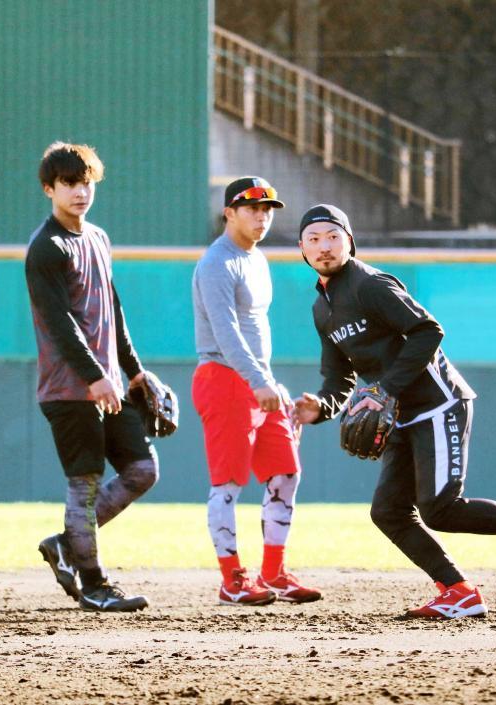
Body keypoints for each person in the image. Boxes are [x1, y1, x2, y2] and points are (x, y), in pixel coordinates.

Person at [293, 204, 496, 620]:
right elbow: (339, 377)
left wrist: (387, 389)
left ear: (349, 240)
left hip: (437, 402)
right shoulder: (322, 307)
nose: (324, 246)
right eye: (314, 239)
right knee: (388, 511)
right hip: (400, 415)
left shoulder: (368, 284)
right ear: (301, 248)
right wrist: (319, 406)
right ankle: (458, 590)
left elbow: (428, 330)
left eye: (333, 236)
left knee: (441, 507)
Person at [27, 142, 162, 612]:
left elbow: (113, 310)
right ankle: (94, 584)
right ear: (50, 188)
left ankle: (66, 544)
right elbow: (58, 322)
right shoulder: (47, 248)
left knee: (143, 469)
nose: (80, 191)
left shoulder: (97, 238)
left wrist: (133, 370)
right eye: (69, 183)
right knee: (84, 482)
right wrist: (93, 376)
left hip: (107, 383)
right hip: (70, 388)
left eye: (86, 182)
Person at [192, 177, 321, 606]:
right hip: (225, 378)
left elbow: (255, 331)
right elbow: (227, 333)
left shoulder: (257, 258)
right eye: (252, 208)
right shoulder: (217, 262)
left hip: (257, 380)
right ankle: (232, 580)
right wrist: (258, 380)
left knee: (286, 472)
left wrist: (272, 385)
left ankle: (273, 573)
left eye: (268, 209)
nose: (262, 216)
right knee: (228, 482)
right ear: (229, 212)